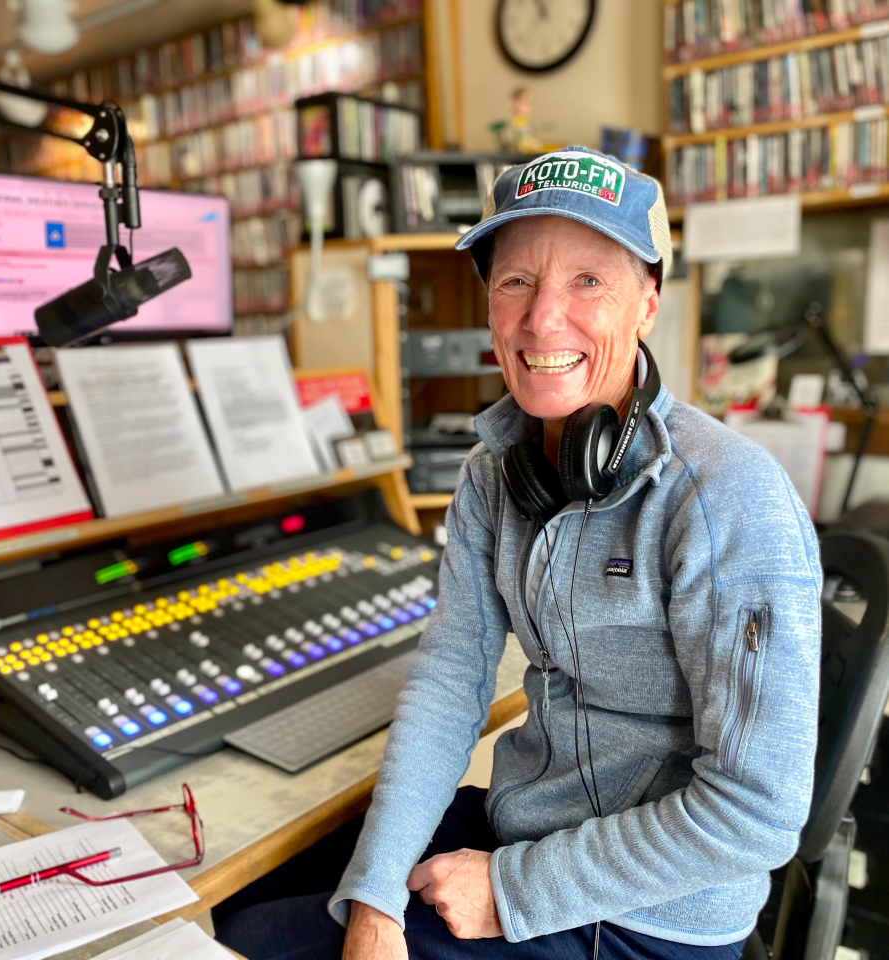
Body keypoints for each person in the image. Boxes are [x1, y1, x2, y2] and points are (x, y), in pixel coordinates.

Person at [213, 147, 822, 960]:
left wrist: (509, 890)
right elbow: (448, 682)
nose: (541, 320)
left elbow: (758, 813)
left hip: (649, 914)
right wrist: (376, 895)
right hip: (524, 823)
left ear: (648, 300)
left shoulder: (727, 499)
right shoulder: (493, 475)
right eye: (515, 282)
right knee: (249, 901)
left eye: (588, 281)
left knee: (259, 943)